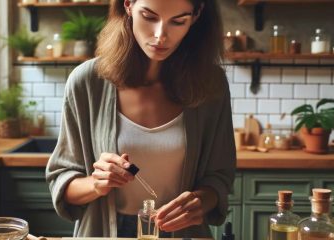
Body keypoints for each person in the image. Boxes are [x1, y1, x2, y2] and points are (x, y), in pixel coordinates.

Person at [46, 0, 236, 238]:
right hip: (105, 232)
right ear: (128, 5)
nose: (160, 36)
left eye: (178, 21)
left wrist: (199, 202)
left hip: (183, 232)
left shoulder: (212, 85)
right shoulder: (86, 81)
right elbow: (62, 183)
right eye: (148, 16)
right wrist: (96, 183)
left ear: (196, 16)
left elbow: (219, 177)